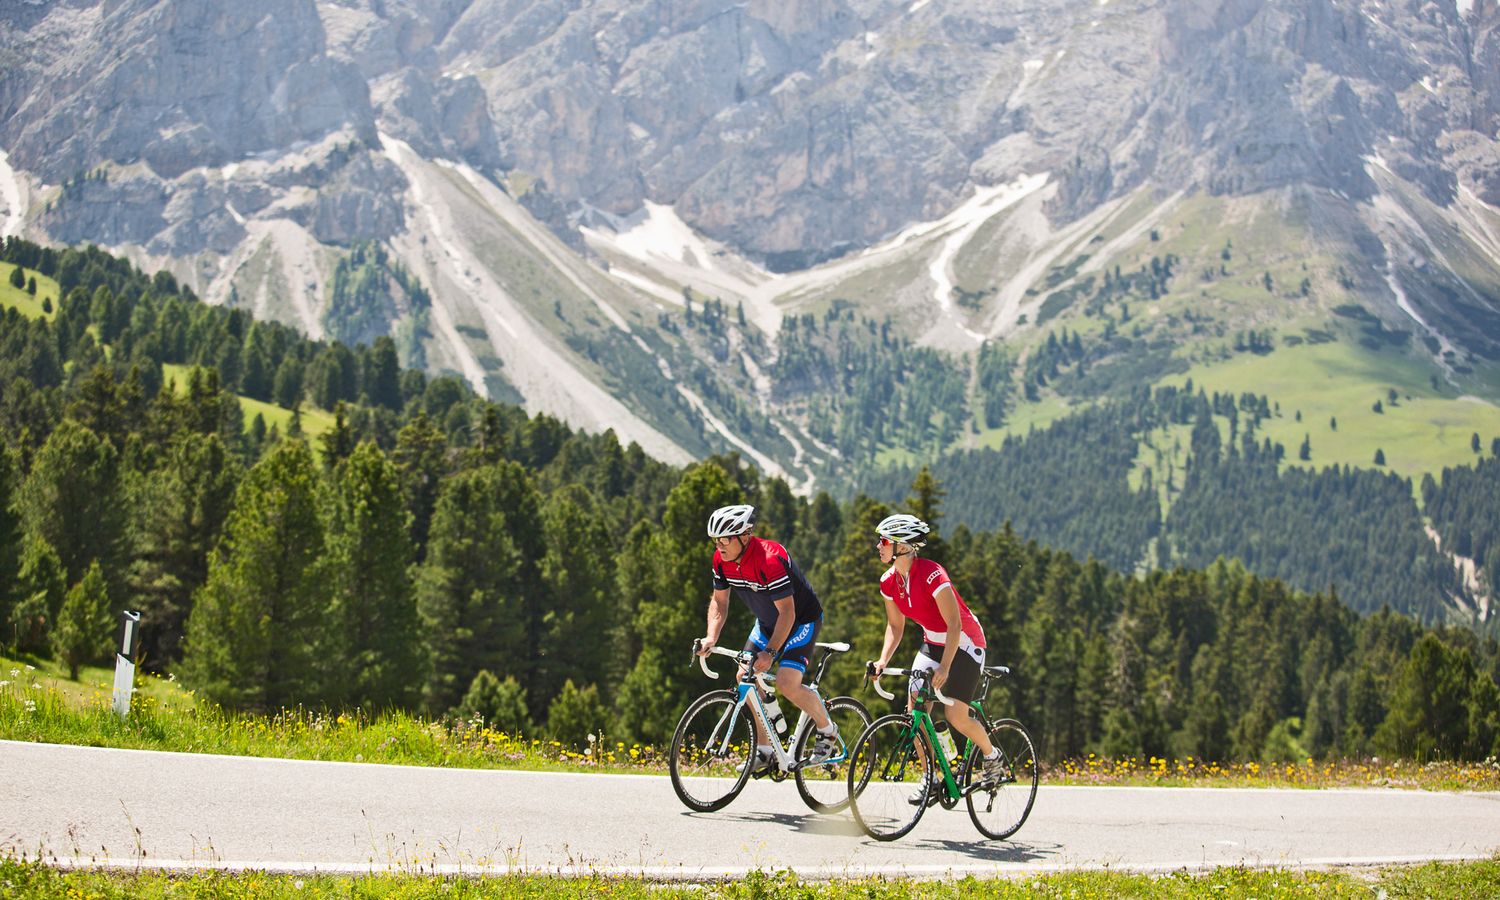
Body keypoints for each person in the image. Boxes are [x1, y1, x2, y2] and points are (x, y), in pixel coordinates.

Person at [867, 513, 1006, 802]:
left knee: (955, 713)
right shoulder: (888, 582)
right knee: (915, 712)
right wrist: (883, 662)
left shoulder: (932, 574)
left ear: (902, 546)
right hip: (932, 642)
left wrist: (945, 666)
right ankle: (934, 776)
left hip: (965, 643)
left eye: (883, 541)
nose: (878, 547)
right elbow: (895, 627)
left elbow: (954, 624)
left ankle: (993, 756)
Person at [696, 503, 838, 771]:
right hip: (767, 623)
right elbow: (719, 603)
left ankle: (827, 728)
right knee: (743, 677)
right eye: (716, 540)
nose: (720, 546)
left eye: (725, 539)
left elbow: (788, 613)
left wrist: (771, 653)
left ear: (745, 536)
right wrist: (710, 637)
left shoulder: (769, 560)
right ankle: (764, 750)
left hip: (800, 621)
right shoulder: (721, 560)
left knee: (787, 683)